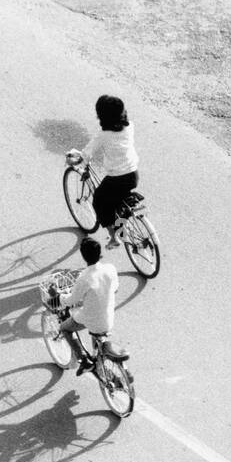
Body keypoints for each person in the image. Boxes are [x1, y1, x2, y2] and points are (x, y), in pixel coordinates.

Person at [79, 94, 141, 249]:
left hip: (116, 178)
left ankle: (114, 238)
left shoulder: (103, 135)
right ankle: (123, 221)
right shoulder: (129, 126)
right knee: (117, 200)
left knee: (99, 202)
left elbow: (87, 153)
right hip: (133, 174)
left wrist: (78, 159)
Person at [57, 237, 119, 376]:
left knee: (65, 328)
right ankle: (98, 360)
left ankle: (84, 361)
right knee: (95, 328)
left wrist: (59, 296)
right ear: (100, 253)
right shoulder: (110, 269)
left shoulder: (84, 278)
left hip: (92, 320)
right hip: (108, 317)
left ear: (84, 257)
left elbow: (71, 300)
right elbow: (115, 288)